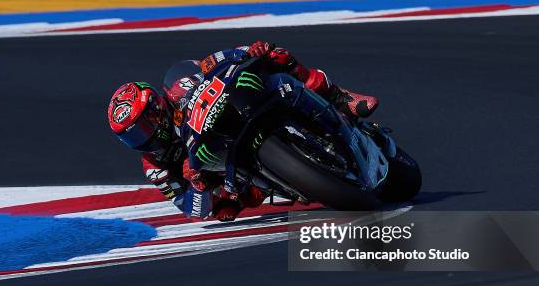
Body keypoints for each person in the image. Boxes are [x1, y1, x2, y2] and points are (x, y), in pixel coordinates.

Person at [107, 41, 379, 221]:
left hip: (234, 109)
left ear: (156, 108)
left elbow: (212, 62)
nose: (143, 138)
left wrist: (248, 52)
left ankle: (340, 97)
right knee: (226, 209)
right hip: (223, 170)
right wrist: (197, 185)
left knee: (276, 56)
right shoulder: (154, 165)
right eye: (132, 136)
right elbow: (192, 210)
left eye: (143, 126)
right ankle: (283, 182)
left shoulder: (179, 86)